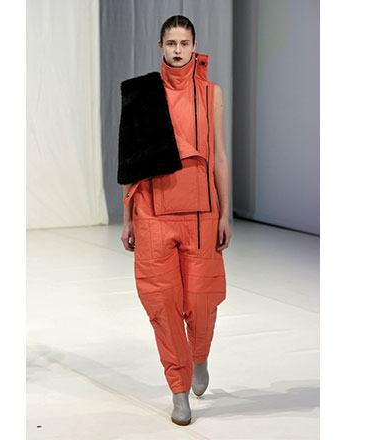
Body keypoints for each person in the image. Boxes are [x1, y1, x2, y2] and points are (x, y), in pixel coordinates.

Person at [118, 15, 231, 426]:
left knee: (201, 301)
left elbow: (218, 156)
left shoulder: (211, 93)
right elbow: (131, 161)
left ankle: (198, 356)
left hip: (201, 212)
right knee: (163, 305)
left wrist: (225, 212)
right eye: (171, 43)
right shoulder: (143, 93)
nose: (178, 50)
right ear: (161, 46)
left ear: (194, 45)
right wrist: (128, 217)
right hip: (151, 211)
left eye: (184, 43)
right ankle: (178, 389)